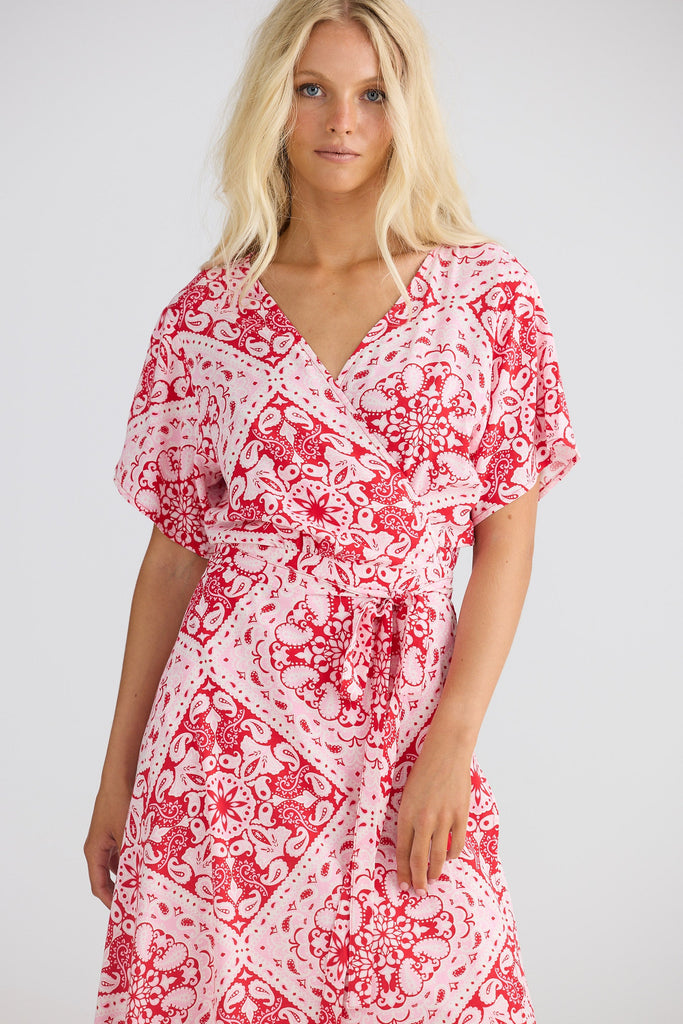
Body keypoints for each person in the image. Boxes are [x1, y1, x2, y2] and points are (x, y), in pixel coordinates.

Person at [84, 1, 580, 1021]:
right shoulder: (208, 315)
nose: (339, 121)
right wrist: (116, 774)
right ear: (273, 105)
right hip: (226, 733)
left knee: (441, 976)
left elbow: (506, 535)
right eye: (311, 88)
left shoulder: (483, 296)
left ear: (406, 112)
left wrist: (450, 738)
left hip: (404, 709)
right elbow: (172, 559)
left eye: (370, 94)